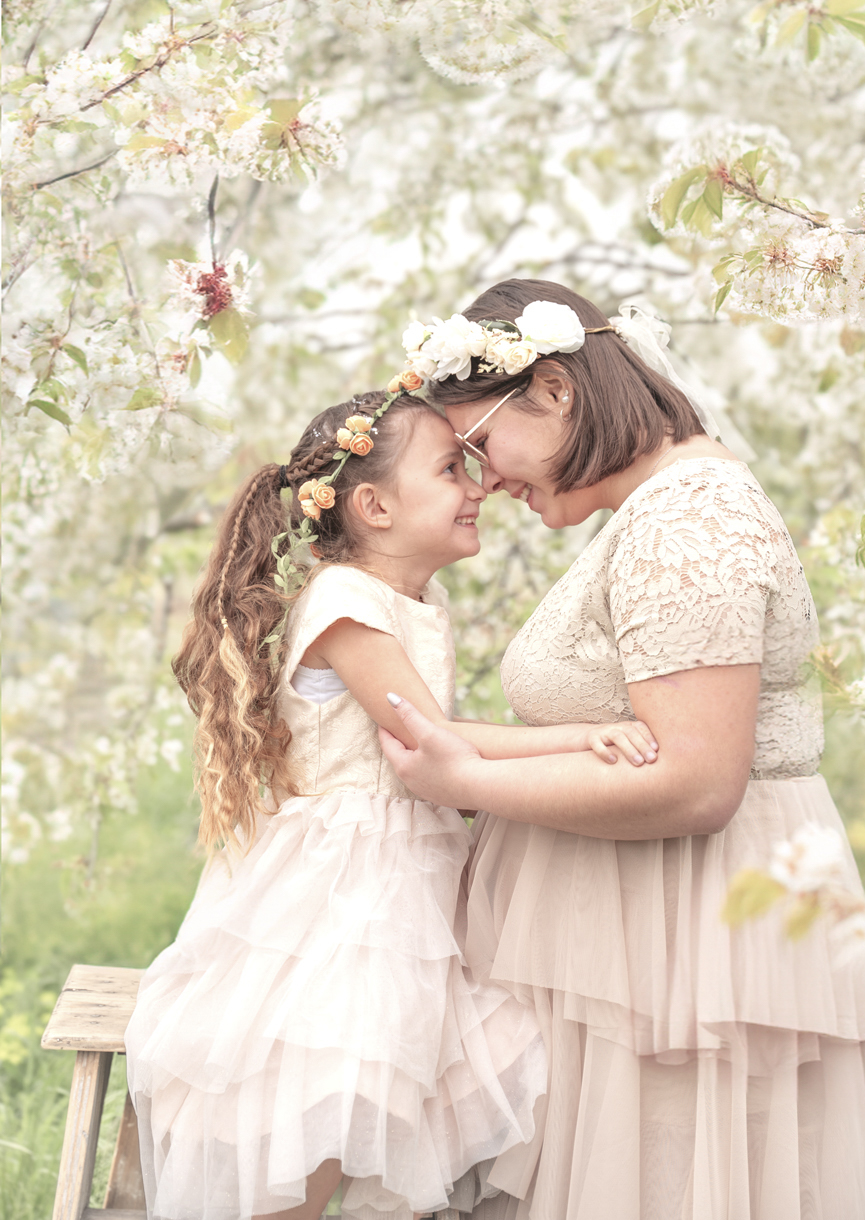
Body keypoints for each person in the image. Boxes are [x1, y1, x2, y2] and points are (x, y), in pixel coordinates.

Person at [378, 281, 865, 1220]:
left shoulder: (690, 521)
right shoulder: (659, 510)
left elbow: (697, 783)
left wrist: (470, 779)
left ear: (555, 390)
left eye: (478, 445)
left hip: (686, 934)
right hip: (635, 931)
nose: (484, 481)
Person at [125, 382, 660, 1220]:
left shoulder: (411, 602)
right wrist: (583, 737)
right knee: (330, 1095)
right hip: (346, 894)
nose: (478, 489)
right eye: (451, 470)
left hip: (406, 879)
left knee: (417, 1079)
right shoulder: (343, 602)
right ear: (374, 506)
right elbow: (429, 737)